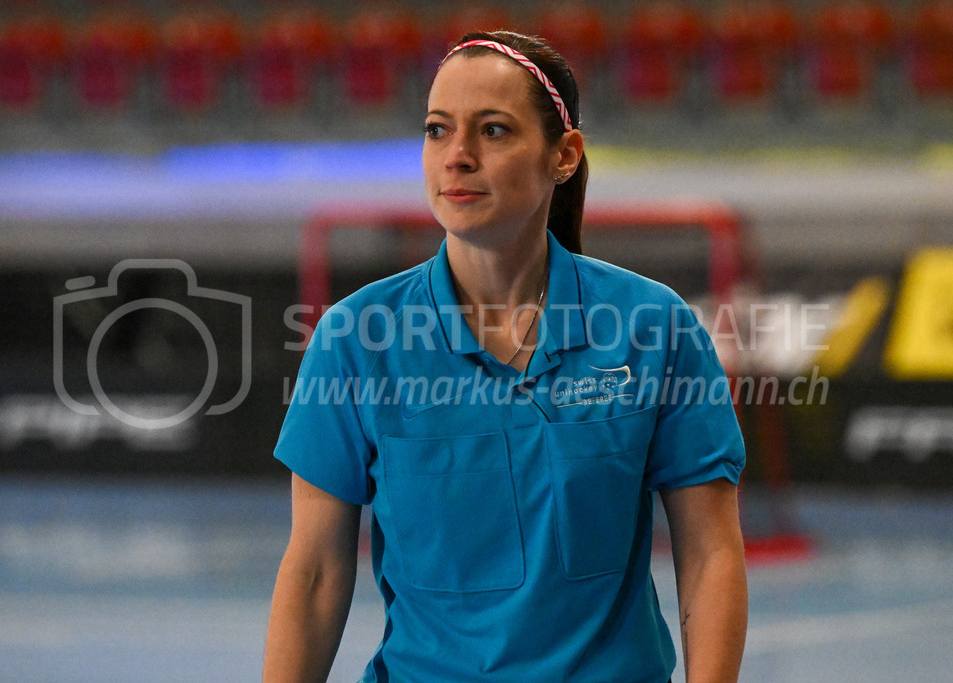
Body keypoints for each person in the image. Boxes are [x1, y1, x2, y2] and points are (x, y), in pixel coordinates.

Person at [264, 30, 747, 683]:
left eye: (492, 131)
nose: (456, 157)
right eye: (437, 130)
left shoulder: (654, 326)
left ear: (563, 156)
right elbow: (315, 571)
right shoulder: (354, 339)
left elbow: (710, 552)